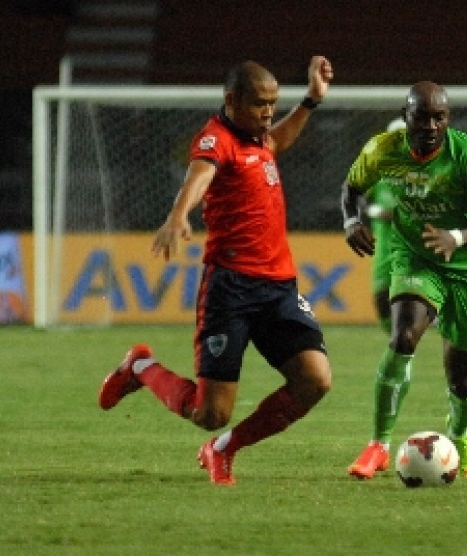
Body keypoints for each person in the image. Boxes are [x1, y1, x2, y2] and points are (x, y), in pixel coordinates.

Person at [97, 56, 334, 485]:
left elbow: (277, 143)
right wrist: (177, 215)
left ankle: (222, 449)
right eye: (260, 103)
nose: (268, 112)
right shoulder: (215, 138)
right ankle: (140, 368)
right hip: (232, 290)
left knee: (315, 380)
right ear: (231, 100)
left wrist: (310, 102)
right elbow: (199, 176)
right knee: (210, 413)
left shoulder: (260, 137)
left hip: (279, 287)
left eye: (273, 103)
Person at [341, 81, 467, 479]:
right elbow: (351, 188)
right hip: (416, 257)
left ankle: (460, 433)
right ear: (406, 116)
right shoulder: (383, 150)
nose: (432, 125)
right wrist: (351, 220)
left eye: (440, 117)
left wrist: (459, 237)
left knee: (463, 380)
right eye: (423, 116)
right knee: (403, 337)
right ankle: (378, 445)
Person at [363, 117, 406, 333]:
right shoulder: (378, 171)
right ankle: (397, 342)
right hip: (383, 247)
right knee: (381, 300)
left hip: (411, 248)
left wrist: (386, 213)